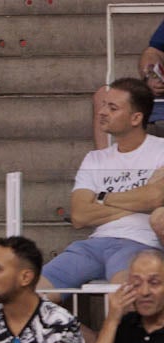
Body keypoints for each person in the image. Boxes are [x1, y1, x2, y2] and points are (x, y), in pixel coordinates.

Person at [42, 79, 164, 293]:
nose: (102, 112)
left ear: (136, 118)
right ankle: (79, 329)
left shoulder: (160, 150)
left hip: (140, 243)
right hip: (93, 244)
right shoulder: (95, 159)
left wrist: (101, 197)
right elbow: (80, 216)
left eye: (113, 107)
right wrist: (139, 200)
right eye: (104, 104)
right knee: (29, 300)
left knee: (127, 297)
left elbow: (156, 198)